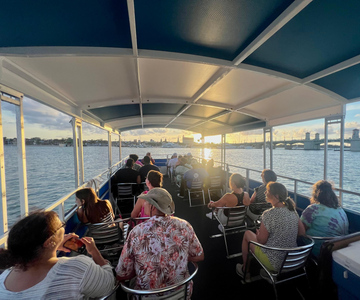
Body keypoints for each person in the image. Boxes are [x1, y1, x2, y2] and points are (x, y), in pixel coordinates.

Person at [0, 211, 115, 299]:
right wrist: (94, 252)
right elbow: (109, 284)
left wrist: (54, 245)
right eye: (62, 225)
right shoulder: (77, 267)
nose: (64, 228)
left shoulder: (4, 278)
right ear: (48, 241)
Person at [116, 188, 204, 295]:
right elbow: (200, 256)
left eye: (146, 204)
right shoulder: (184, 225)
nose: (144, 206)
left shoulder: (137, 232)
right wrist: (180, 256)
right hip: (181, 293)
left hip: (147, 296)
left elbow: (122, 273)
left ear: (153, 207)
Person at [236, 182, 305, 280]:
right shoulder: (292, 211)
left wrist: (259, 234)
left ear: (276, 196)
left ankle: (245, 271)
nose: (265, 193)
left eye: (267, 191)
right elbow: (302, 233)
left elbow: (261, 241)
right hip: (292, 260)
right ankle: (267, 273)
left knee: (247, 234)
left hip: (275, 263)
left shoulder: (269, 214)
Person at [300, 180, 349, 256]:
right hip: (336, 248)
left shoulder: (313, 209)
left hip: (318, 248)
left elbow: (300, 231)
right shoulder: (340, 209)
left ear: (316, 194)